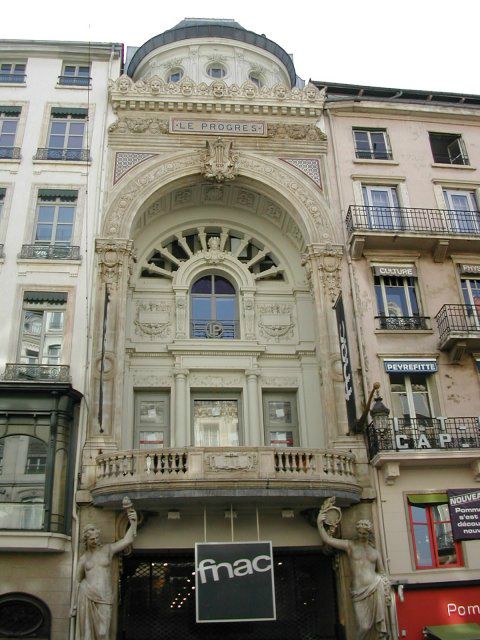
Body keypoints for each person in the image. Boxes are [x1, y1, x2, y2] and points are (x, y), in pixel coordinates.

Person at [317, 512, 390, 640]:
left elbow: (382, 572)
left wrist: (386, 588)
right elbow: (328, 540)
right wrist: (319, 523)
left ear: (369, 533)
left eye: (364, 533)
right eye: (360, 533)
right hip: (359, 591)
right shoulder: (350, 545)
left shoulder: (375, 551)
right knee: (364, 626)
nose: (362, 535)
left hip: (375, 586)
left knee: (374, 625)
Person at [71, 507, 137, 640]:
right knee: (87, 633)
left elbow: (127, 540)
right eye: (92, 539)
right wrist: (73, 605)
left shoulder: (108, 549)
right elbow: (77, 580)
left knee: (103, 632)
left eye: (96, 538)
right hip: (87, 594)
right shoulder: (84, 558)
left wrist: (133, 521)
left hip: (104, 595)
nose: (95, 541)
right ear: (86, 541)